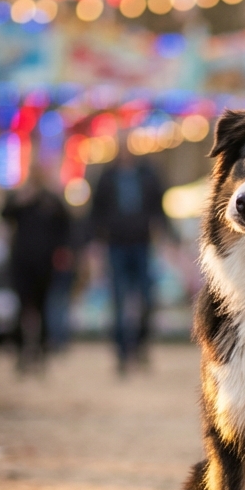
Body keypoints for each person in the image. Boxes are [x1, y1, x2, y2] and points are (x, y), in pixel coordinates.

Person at [90, 146, 169, 374]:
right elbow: (96, 211)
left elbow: (158, 206)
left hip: (142, 244)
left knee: (146, 298)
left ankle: (140, 346)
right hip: (116, 245)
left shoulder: (147, 174)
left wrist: (164, 232)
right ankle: (122, 354)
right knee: (119, 300)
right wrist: (94, 239)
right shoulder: (106, 177)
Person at [0, 159, 71, 373]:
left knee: (42, 308)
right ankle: (22, 351)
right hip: (22, 262)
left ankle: (40, 352)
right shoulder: (21, 199)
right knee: (22, 308)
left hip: (44, 264)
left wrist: (62, 254)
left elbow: (65, 229)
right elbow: (4, 215)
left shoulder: (51, 201)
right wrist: (20, 200)